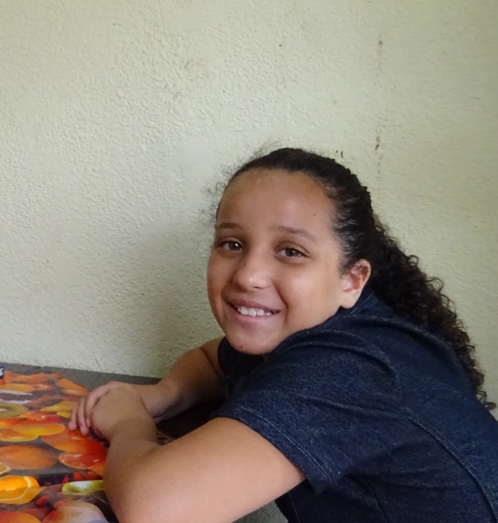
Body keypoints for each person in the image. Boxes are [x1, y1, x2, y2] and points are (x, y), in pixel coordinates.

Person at [69, 148, 498, 523]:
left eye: (291, 251)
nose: (249, 275)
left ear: (352, 280)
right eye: (232, 244)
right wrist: (162, 395)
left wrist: (128, 422)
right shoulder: (301, 333)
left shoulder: (348, 370)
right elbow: (212, 360)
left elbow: (155, 510)